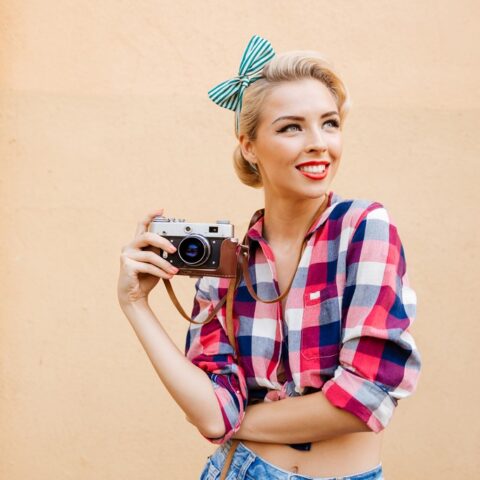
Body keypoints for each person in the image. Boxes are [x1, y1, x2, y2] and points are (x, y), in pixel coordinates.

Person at [117, 35, 421, 480]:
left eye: (330, 123)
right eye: (291, 127)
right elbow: (208, 411)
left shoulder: (364, 227)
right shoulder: (226, 269)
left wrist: (233, 424)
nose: (318, 143)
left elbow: (366, 399)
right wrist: (135, 305)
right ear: (249, 146)